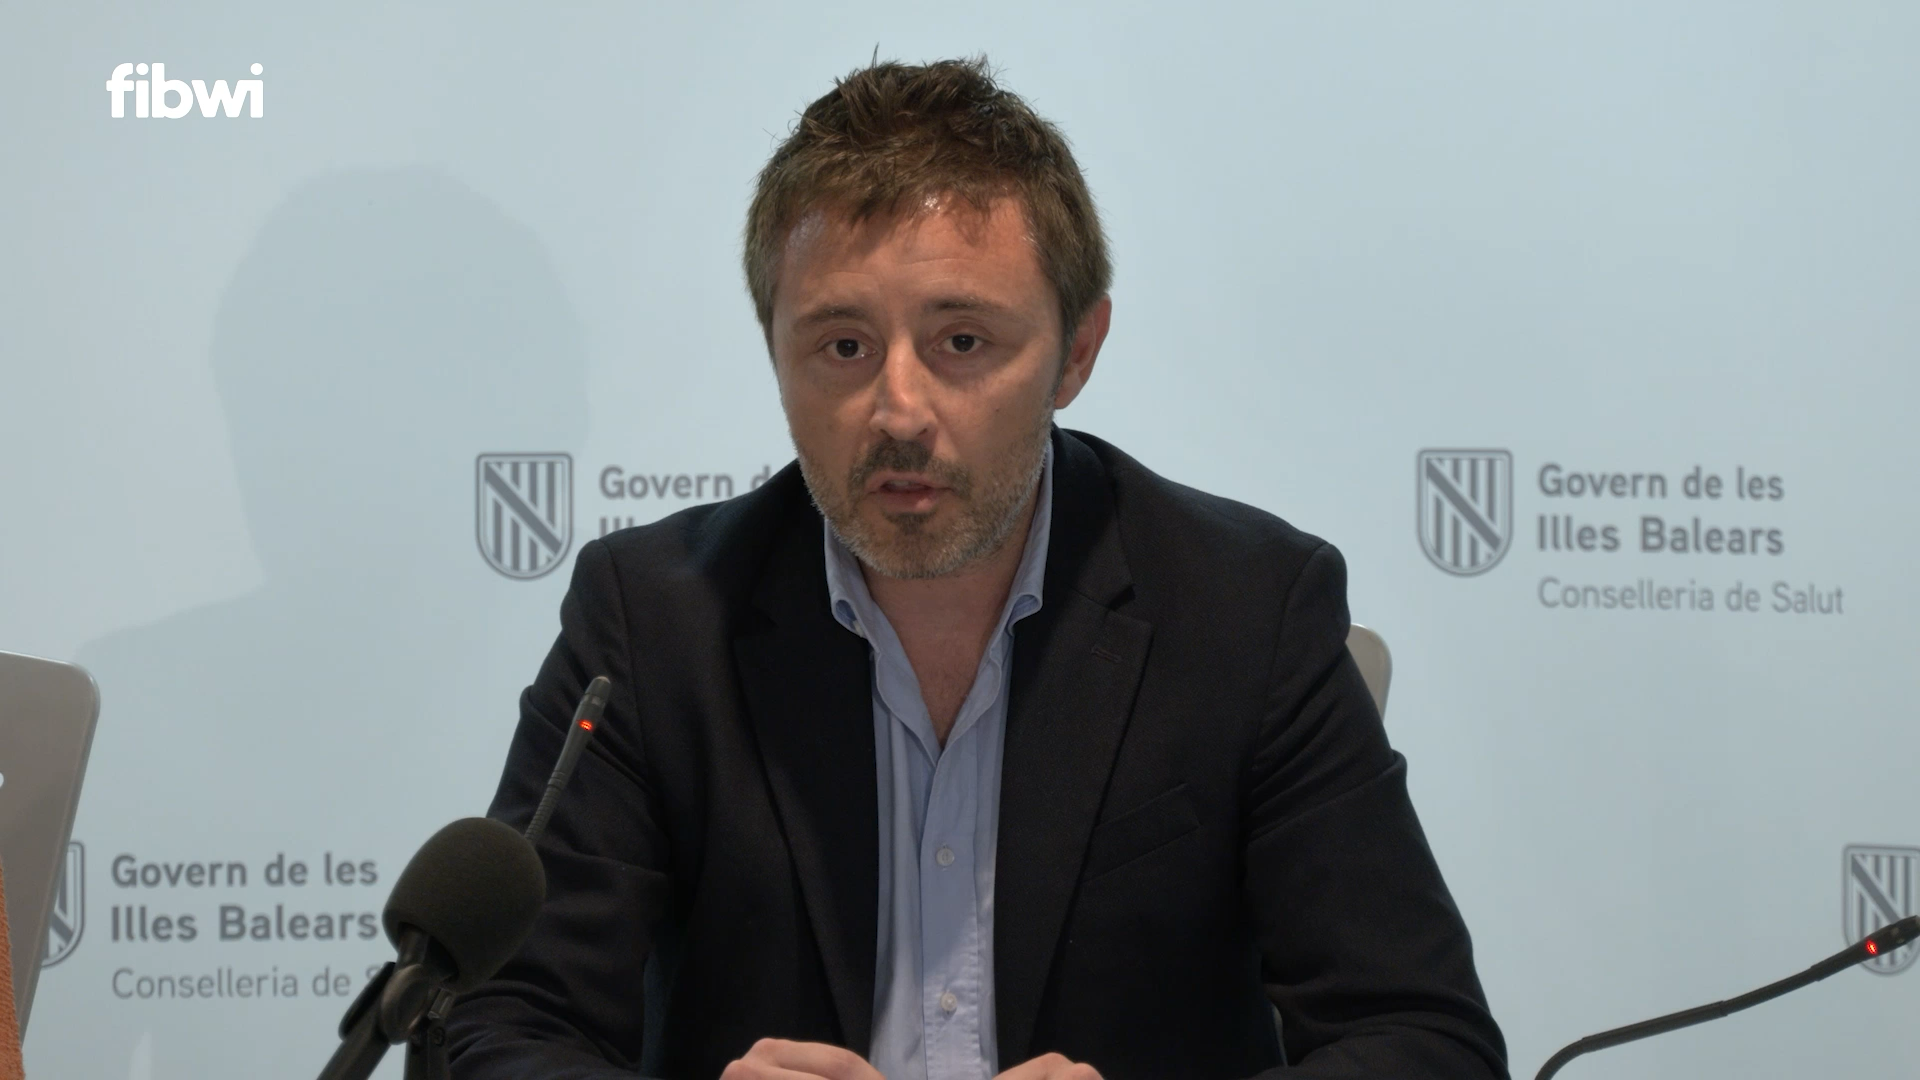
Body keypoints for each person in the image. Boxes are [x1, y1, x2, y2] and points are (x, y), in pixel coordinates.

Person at [446, 57, 1507, 1080]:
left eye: (962, 342)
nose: (899, 412)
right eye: (844, 346)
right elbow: (487, 1028)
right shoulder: (655, 621)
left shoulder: (1245, 610)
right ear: (775, 349)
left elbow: (1425, 1040)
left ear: (1076, 352)